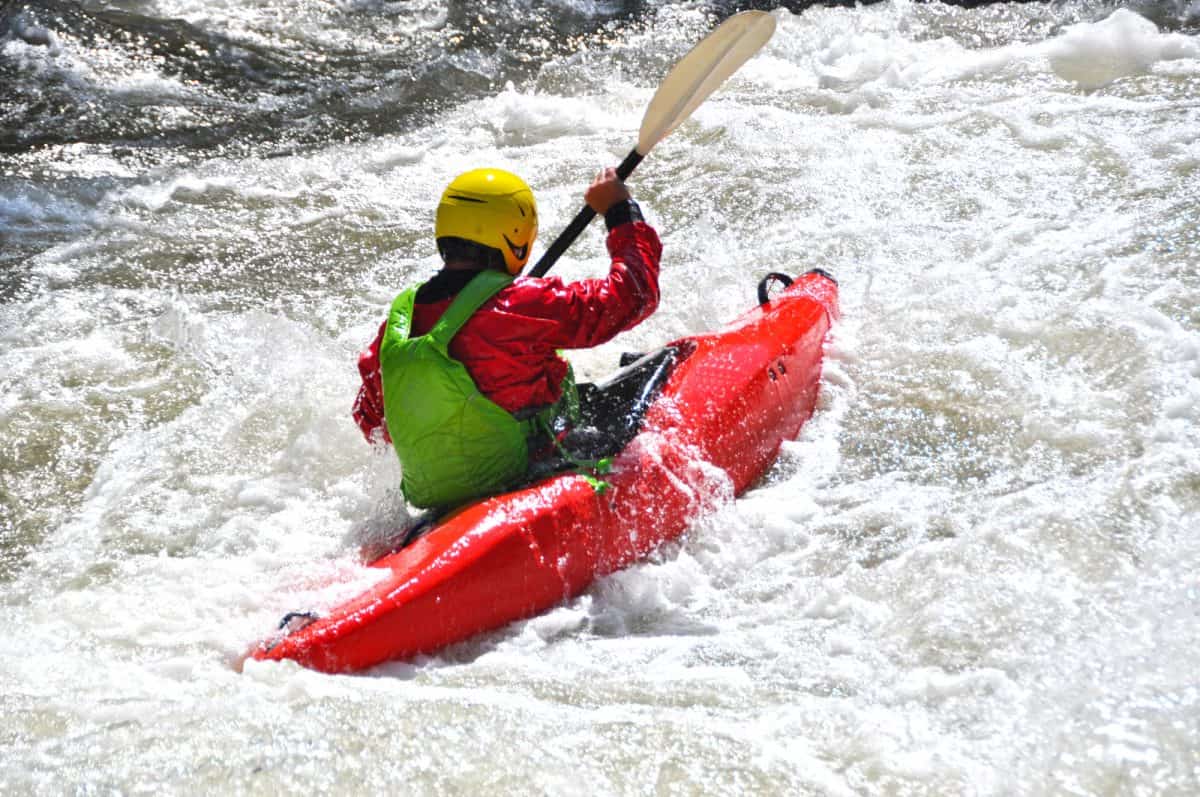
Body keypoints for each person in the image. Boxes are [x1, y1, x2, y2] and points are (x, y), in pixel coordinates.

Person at [352, 166, 662, 509]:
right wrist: (620, 211)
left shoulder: (397, 324)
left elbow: (371, 422)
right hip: (528, 474)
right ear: (516, 236)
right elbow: (634, 295)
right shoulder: (522, 304)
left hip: (438, 499)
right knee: (645, 388)